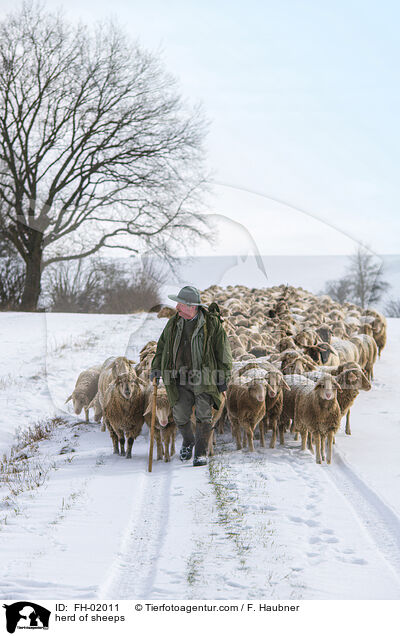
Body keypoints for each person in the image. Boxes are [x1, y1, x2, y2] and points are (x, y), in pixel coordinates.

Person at [150, 285, 232, 466]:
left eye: (180, 304)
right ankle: (188, 441)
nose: (177, 307)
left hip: (205, 378)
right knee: (179, 413)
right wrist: (156, 368)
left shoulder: (212, 324)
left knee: (204, 414)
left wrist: (222, 378)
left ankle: (200, 453)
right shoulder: (173, 323)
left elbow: (223, 352)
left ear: (192, 306)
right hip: (178, 377)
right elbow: (162, 347)